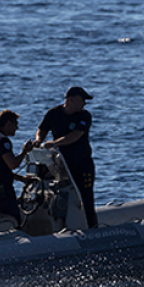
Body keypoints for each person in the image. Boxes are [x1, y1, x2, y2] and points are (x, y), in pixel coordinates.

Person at [34, 86, 98, 228]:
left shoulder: (84, 116)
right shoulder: (53, 113)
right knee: (60, 194)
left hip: (82, 164)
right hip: (62, 165)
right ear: (71, 101)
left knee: (85, 196)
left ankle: (92, 227)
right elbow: (42, 129)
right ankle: (62, 225)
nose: (85, 104)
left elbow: (75, 135)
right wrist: (39, 140)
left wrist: (55, 143)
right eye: (83, 101)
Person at [0, 109, 34, 224]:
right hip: (1, 192)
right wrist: (24, 151)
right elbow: (13, 164)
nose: (17, 128)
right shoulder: (3, 141)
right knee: (15, 218)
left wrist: (22, 179)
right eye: (16, 124)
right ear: (9, 124)